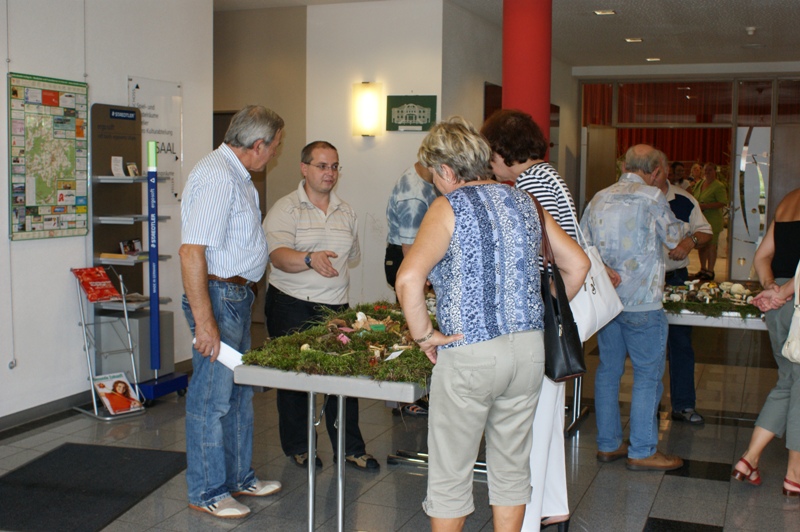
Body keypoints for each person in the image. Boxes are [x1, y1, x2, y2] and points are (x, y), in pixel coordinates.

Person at [395, 117, 589, 532]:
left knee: (451, 469)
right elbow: (578, 265)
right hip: (528, 351)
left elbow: (409, 278)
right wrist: (537, 312)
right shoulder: (524, 201)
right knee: (512, 467)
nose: (434, 184)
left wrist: (425, 336)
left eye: (434, 176)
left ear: (447, 171)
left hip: (470, 351)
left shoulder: (448, 206)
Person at [179, 105, 285, 519]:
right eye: (273, 148)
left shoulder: (238, 176)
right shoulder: (217, 177)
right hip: (219, 299)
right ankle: (207, 490)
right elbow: (192, 252)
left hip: (237, 297)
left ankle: (239, 478)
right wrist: (205, 323)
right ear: (257, 145)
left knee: (240, 394)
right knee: (211, 401)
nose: (274, 155)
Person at [481, 108, 576, 532]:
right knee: (549, 417)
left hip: (546, 306)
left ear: (504, 149)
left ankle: (526, 519)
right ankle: (551, 503)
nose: (489, 163)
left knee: (530, 422)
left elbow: (543, 251)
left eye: (492, 153)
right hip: (561, 304)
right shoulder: (549, 175)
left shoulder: (531, 184)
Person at [263, 140, 378, 471]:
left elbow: (351, 256)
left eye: (334, 166)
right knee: (296, 381)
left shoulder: (347, 212)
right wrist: (309, 259)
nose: (329, 173)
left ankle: (350, 449)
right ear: (304, 168)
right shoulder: (286, 209)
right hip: (291, 305)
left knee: (345, 378)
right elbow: (278, 258)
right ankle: (299, 447)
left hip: (335, 308)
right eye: (322, 166)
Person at [581, 144, 689, 472]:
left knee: (608, 371)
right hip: (643, 303)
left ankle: (608, 444)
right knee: (647, 375)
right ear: (655, 172)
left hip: (608, 302)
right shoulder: (653, 198)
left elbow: (581, 243)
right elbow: (674, 240)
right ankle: (642, 449)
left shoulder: (599, 197)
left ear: (624, 165)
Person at [731, 187, 800, 498]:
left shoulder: (788, 201)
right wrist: (784, 292)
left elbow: (762, 256)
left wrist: (773, 287)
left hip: (781, 307)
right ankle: (795, 475)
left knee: (788, 382)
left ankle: (750, 458)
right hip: (792, 299)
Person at [655, 159, 713, 425]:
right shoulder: (636, 199)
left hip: (675, 277)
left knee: (680, 343)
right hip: (644, 281)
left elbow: (705, 231)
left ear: (663, 171)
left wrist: (690, 242)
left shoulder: (685, 200)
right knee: (649, 345)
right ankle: (649, 405)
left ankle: (684, 404)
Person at [385, 162, 438, 416]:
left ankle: (420, 389)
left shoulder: (428, 182)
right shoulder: (414, 193)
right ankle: (404, 397)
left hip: (420, 258)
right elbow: (409, 252)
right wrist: (423, 281)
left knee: (422, 323)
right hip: (408, 260)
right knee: (412, 324)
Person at [691, 162, 728, 280]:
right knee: (701, 245)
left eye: (710, 170)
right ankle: (702, 268)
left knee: (711, 246)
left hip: (713, 220)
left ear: (715, 172)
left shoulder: (718, 186)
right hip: (700, 220)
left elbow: (723, 202)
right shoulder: (699, 183)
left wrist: (706, 206)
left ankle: (710, 270)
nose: (707, 173)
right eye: (705, 170)